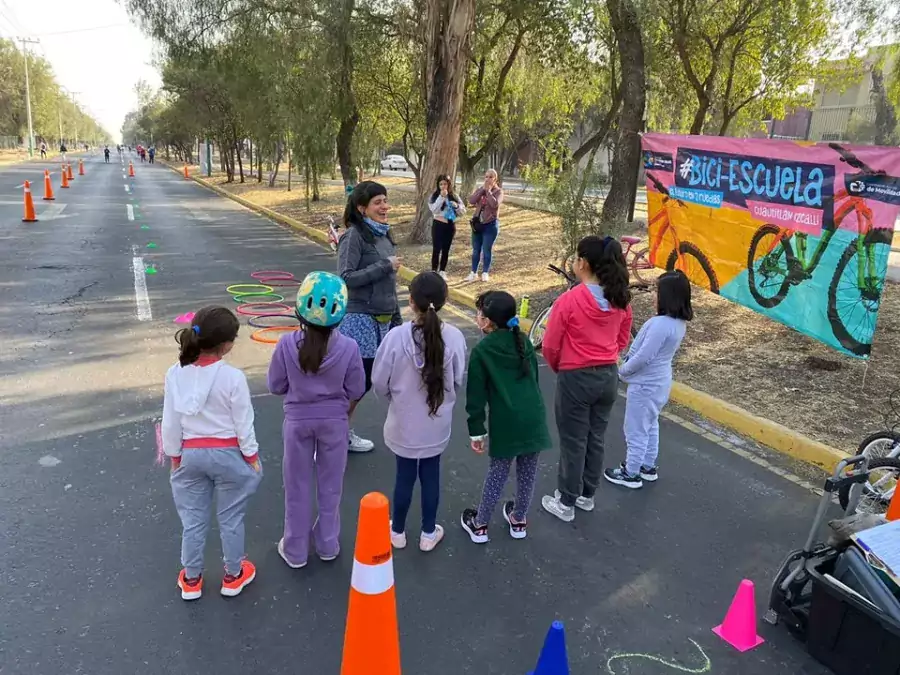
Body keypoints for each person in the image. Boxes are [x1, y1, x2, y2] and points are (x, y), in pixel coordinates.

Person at [161, 306, 262, 601]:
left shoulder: (175, 373)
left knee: (193, 519)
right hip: (229, 453)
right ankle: (233, 574)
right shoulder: (232, 377)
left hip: (191, 455)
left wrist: (174, 455)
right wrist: (251, 456)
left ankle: (191, 578)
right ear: (227, 344)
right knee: (231, 517)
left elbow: (171, 420)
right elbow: (244, 423)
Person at [267, 272, 366, 568]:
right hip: (335, 424)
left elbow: (275, 386)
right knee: (331, 485)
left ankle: (295, 549)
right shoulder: (349, 347)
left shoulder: (286, 345)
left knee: (296, 486)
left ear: (299, 309)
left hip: (297, 423)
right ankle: (327, 543)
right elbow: (357, 389)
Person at [539, 236, 633, 522]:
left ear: (584, 263)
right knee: (596, 436)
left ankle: (566, 501)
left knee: (573, 440)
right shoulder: (620, 299)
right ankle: (586, 495)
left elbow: (550, 345)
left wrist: (562, 367)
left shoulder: (570, 300)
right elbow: (622, 338)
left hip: (576, 376)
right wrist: (609, 355)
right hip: (607, 376)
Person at [372, 272, 467, 552]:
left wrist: (393, 399)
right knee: (430, 474)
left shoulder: (395, 337)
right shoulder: (455, 337)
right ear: (445, 301)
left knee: (403, 475)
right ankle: (428, 532)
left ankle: (397, 531)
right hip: (436, 423)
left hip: (402, 422)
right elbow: (459, 379)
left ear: (411, 302)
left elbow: (379, 382)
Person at [460, 290, 551, 543]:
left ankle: (480, 525)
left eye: (480, 312)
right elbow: (533, 378)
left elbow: (475, 396)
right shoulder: (524, 341)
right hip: (534, 418)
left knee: (497, 473)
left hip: (506, 421)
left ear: (487, 321)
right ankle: (519, 519)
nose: (478, 315)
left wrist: (476, 430)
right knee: (528, 472)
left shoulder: (482, 351)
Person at [605, 271, 692, 488]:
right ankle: (647, 466)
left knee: (635, 428)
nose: (654, 296)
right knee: (650, 424)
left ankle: (631, 472)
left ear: (668, 297)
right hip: (660, 383)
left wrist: (623, 370)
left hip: (645, 385)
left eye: (657, 292)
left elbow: (644, 356)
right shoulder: (678, 324)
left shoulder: (660, 324)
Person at [337, 180, 402, 453]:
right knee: (357, 383)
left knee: (368, 382)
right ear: (362, 208)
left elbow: (389, 284)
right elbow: (345, 277)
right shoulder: (353, 236)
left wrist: (397, 318)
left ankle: (338, 433)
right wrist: (384, 265)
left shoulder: (384, 236)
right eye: (377, 202)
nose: (384, 206)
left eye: (385, 200)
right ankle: (334, 434)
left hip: (385, 320)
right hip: (360, 319)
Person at [466, 169, 503, 282]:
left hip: (490, 225)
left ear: (495, 179)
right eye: (486, 177)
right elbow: (471, 201)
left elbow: (495, 204)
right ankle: (473, 272)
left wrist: (489, 192)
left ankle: (485, 272)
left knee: (487, 249)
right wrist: (482, 190)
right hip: (478, 225)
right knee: (476, 249)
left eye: (490, 177)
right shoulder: (481, 190)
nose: (488, 179)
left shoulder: (499, 192)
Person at [428, 175, 465, 278]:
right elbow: (434, 209)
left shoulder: (454, 196)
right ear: (438, 185)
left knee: (446, 249)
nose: (443, 186)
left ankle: (442, 270)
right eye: (441, 184)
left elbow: (463, 211)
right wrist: (441, 197)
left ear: (449, 184)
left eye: (445, 184)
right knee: (436, 249)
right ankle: (434, 270)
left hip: (450, 225)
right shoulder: (434, 196)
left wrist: (457, 206)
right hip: (438, 224)